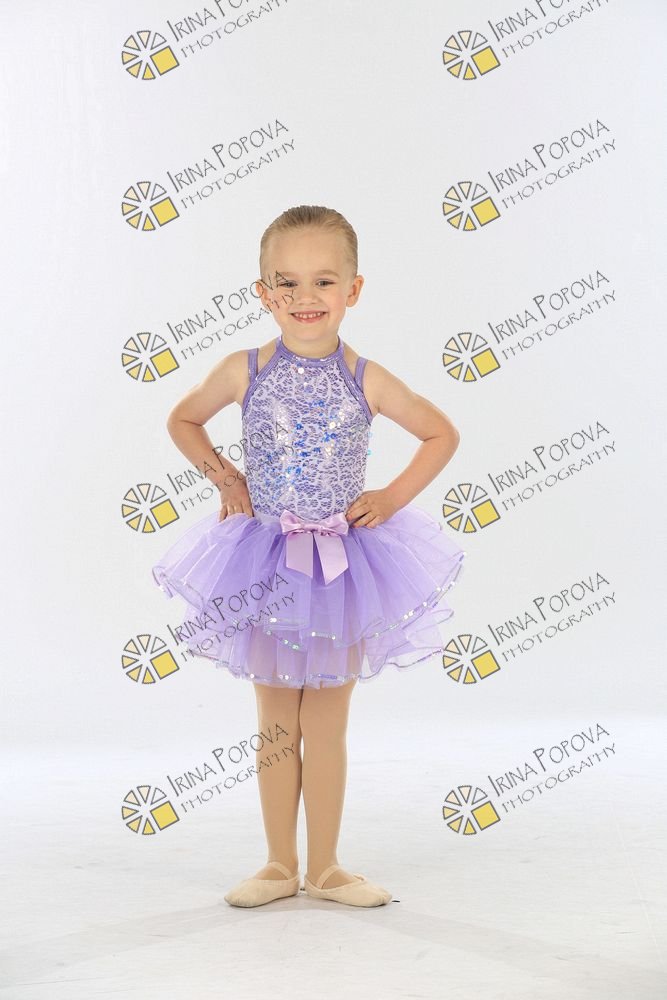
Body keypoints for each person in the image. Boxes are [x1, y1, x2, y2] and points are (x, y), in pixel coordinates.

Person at [152, 205, 466, 908]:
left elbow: (440, 433)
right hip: (264, 564)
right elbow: (183, 417)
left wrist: (390, 498)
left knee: (325, 721)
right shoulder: (245, 370)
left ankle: (324, 866)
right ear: (263, 292)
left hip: (341, 570)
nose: (305, 298)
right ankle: (276, 864)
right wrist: (227, 479)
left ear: (353, 289)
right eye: (286, 283)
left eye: (323, 281)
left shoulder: (367, 377)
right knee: (275, 720)